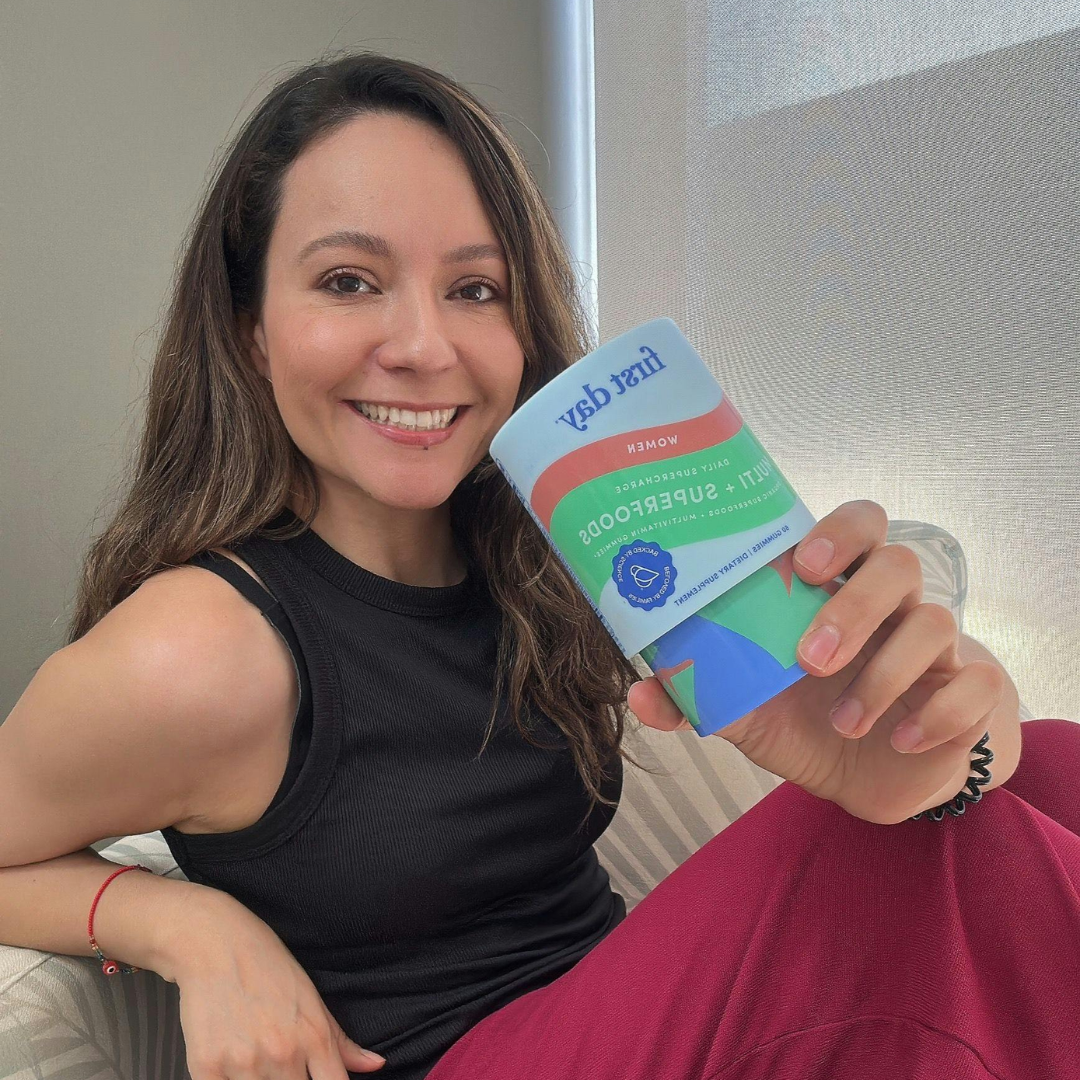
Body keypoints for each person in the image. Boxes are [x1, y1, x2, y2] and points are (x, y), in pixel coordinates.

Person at [0, 49, 1076, 1080]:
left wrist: (931, 739)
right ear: (251, 332)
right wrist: (182, 924)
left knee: (1052, 761)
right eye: (349, 280)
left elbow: (912, 756)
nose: (425, 346)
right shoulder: (193, 649)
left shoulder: (545, 554)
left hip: (611, 1009)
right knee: (896, 858)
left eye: (475, 290)